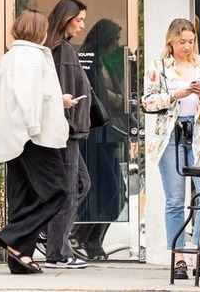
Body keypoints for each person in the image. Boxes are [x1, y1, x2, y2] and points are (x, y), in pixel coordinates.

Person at [0, 9, 74, 274]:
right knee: (57, 190)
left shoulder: (8, 58)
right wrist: (34, 128)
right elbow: (28, 98)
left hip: (13, 135)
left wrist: (57, 101)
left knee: (22, 196)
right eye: (46, 27)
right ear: (40, 30)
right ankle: (12, 237)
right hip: (35, 136)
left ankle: (20, 260)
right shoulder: (32, 57)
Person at [141, 18, 200, 281]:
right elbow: (147, 102)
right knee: (175, 199)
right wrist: (175, 94)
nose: (186, 46)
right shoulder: (160, 66)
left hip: (199, 135)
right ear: (171, 41)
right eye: (181, 42)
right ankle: (178, 257)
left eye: (190, 41)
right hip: (171, 133)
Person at [40, 0, 92, 269]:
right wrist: (71, 119)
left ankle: (49, 234)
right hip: (66, 131)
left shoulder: (56, 49)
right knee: (70, 190)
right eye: (79, 19)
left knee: (80, 184)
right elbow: (63, 91)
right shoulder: (62, 51)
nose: (82, 25)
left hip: (64, 130)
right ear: (65, 18)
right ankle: (57, 252)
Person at [71, 18, 128, 261]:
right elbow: (96, 98)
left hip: (107, 135)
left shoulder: (103, 62)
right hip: (92, 137)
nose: (118, 43)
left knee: (118, 193)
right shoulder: (88, 63)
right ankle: (79, 234)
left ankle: (91, 240)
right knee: (108, 190)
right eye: (115, 38)